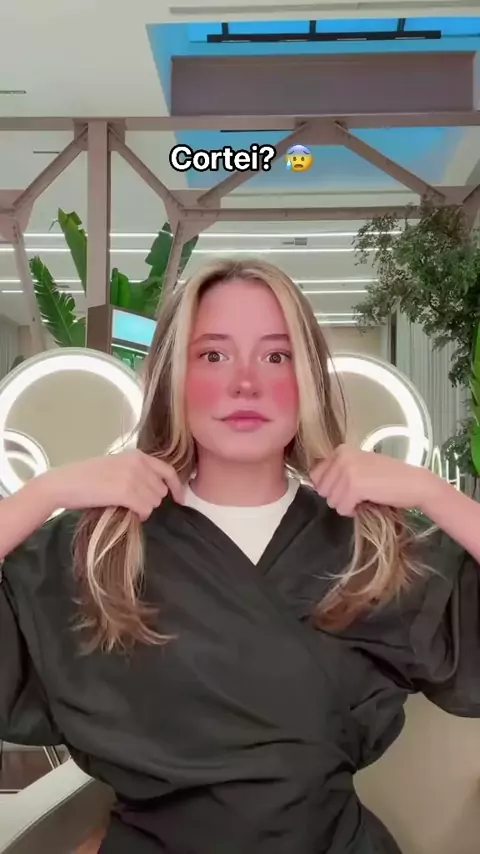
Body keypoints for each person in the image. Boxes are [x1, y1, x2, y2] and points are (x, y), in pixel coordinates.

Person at [0, 258, 479, 854]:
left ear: (308, 379)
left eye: (276, 356)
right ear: (173, 378)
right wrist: (44, 494)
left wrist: (435, 494)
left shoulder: (375, 547)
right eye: (213, 355)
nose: (245, 384)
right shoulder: (96, 551)